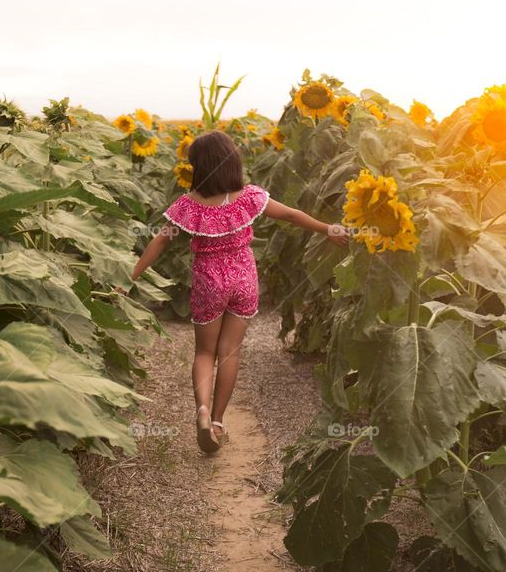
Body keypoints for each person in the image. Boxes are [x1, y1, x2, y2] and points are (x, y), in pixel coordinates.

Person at [125, 130, 349, 453]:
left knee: (205, 353)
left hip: (209, 280)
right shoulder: (249, 197)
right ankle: (218, 422)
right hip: (243, 278)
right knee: (230, 351)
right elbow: (290, 214)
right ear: (232, 162)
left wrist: (131, 277)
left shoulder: (189, 205)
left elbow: (160, 241)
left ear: (199, 167)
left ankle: (203, 411)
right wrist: (328, 228)